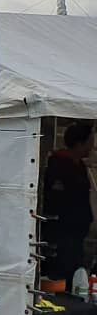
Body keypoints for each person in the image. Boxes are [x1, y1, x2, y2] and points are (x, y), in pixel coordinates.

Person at [43, 121, 95, 287]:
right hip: (63, 229)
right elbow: (58, 196)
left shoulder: (79, 165)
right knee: (62, 268)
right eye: (89, 143)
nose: (91, 148)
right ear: (79, 144)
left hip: (77, 229)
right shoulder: (59, 164)